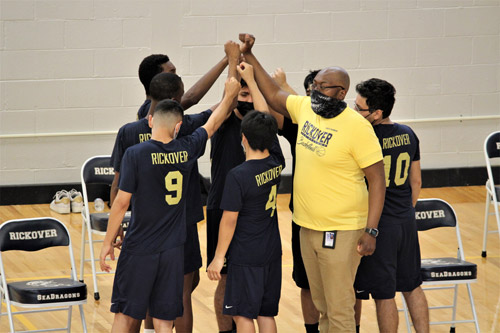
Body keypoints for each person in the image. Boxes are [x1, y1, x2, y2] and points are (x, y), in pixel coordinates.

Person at [239, 33, 386, 332]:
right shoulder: (306, 108)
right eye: (313, 86)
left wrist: (371, 230)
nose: (314, 91)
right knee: (322, 305)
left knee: (340, 307)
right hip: (308, 226)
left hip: (342, 229)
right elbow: (273, 94)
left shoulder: (357, 127)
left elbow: (378, 181)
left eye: (322, 87)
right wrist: (251, 55)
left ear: (341, 92)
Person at [107, 40, 242, 333]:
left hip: (141, 231)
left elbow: (117, 189)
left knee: (131, 305)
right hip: (177, 229)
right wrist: (231, 63)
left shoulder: (131, 133)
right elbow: (222, 112)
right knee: (178, 296)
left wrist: (111, 232)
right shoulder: (187, 134)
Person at [353, 78, 429, 333]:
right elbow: (416, 182)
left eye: (359, 108)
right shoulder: (408, 133)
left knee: (384, 294)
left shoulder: (365, 137)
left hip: (378, 225)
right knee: (412, 286)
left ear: (377, 113)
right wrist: (405, 211)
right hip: (405, 220)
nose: (355, 112)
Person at [207, 108, 285, 333]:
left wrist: (219, 257)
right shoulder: (276, 164)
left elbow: (229, 220)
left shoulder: (238, 175)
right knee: (265, 313)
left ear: (243, 138)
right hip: (272, 251)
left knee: (242, 315)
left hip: (246, 254)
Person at [205, 65, 269, 333]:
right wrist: (232, 60)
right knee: (225, 279)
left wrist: (255, 81)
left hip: (253, 215)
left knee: (256, 284)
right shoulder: (222, 121)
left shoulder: (261, 127)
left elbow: (266, 111)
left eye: (249, 95)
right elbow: (227, 97)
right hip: (222, 208)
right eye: (240, 95)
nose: (246, 100)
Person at [270, 68, 321, 333]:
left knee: (346, 284)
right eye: (314, 91)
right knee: (307, 282)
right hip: (302, 215)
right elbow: (275, 105)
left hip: (340, 218)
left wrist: (284, 84)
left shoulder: (349, 123)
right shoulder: (299, 126)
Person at [136, 52, 229, 119]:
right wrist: (227, 59)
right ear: (157, 79)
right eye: (172, 72)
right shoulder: (149, 109)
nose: (177, 77)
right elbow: (191, 98)